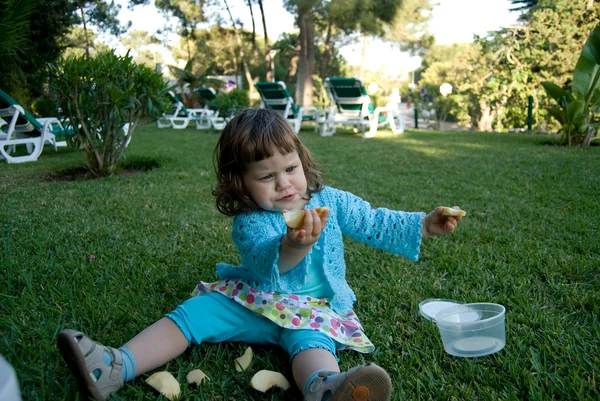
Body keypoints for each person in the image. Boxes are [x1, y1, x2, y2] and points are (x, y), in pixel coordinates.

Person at [57, 108, 463, 401]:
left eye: (290, 168)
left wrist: (422, 225)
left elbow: (374, 221)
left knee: (312, 343)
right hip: (255, 299)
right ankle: (116, 364)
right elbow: (263, 262)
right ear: (242, 185)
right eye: (266, 177)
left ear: (302, 161)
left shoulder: (331, 201)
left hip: (315, 307)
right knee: (193, 313)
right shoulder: (251, 221)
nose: (284, 184)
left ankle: (324, 387)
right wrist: (292, 245)